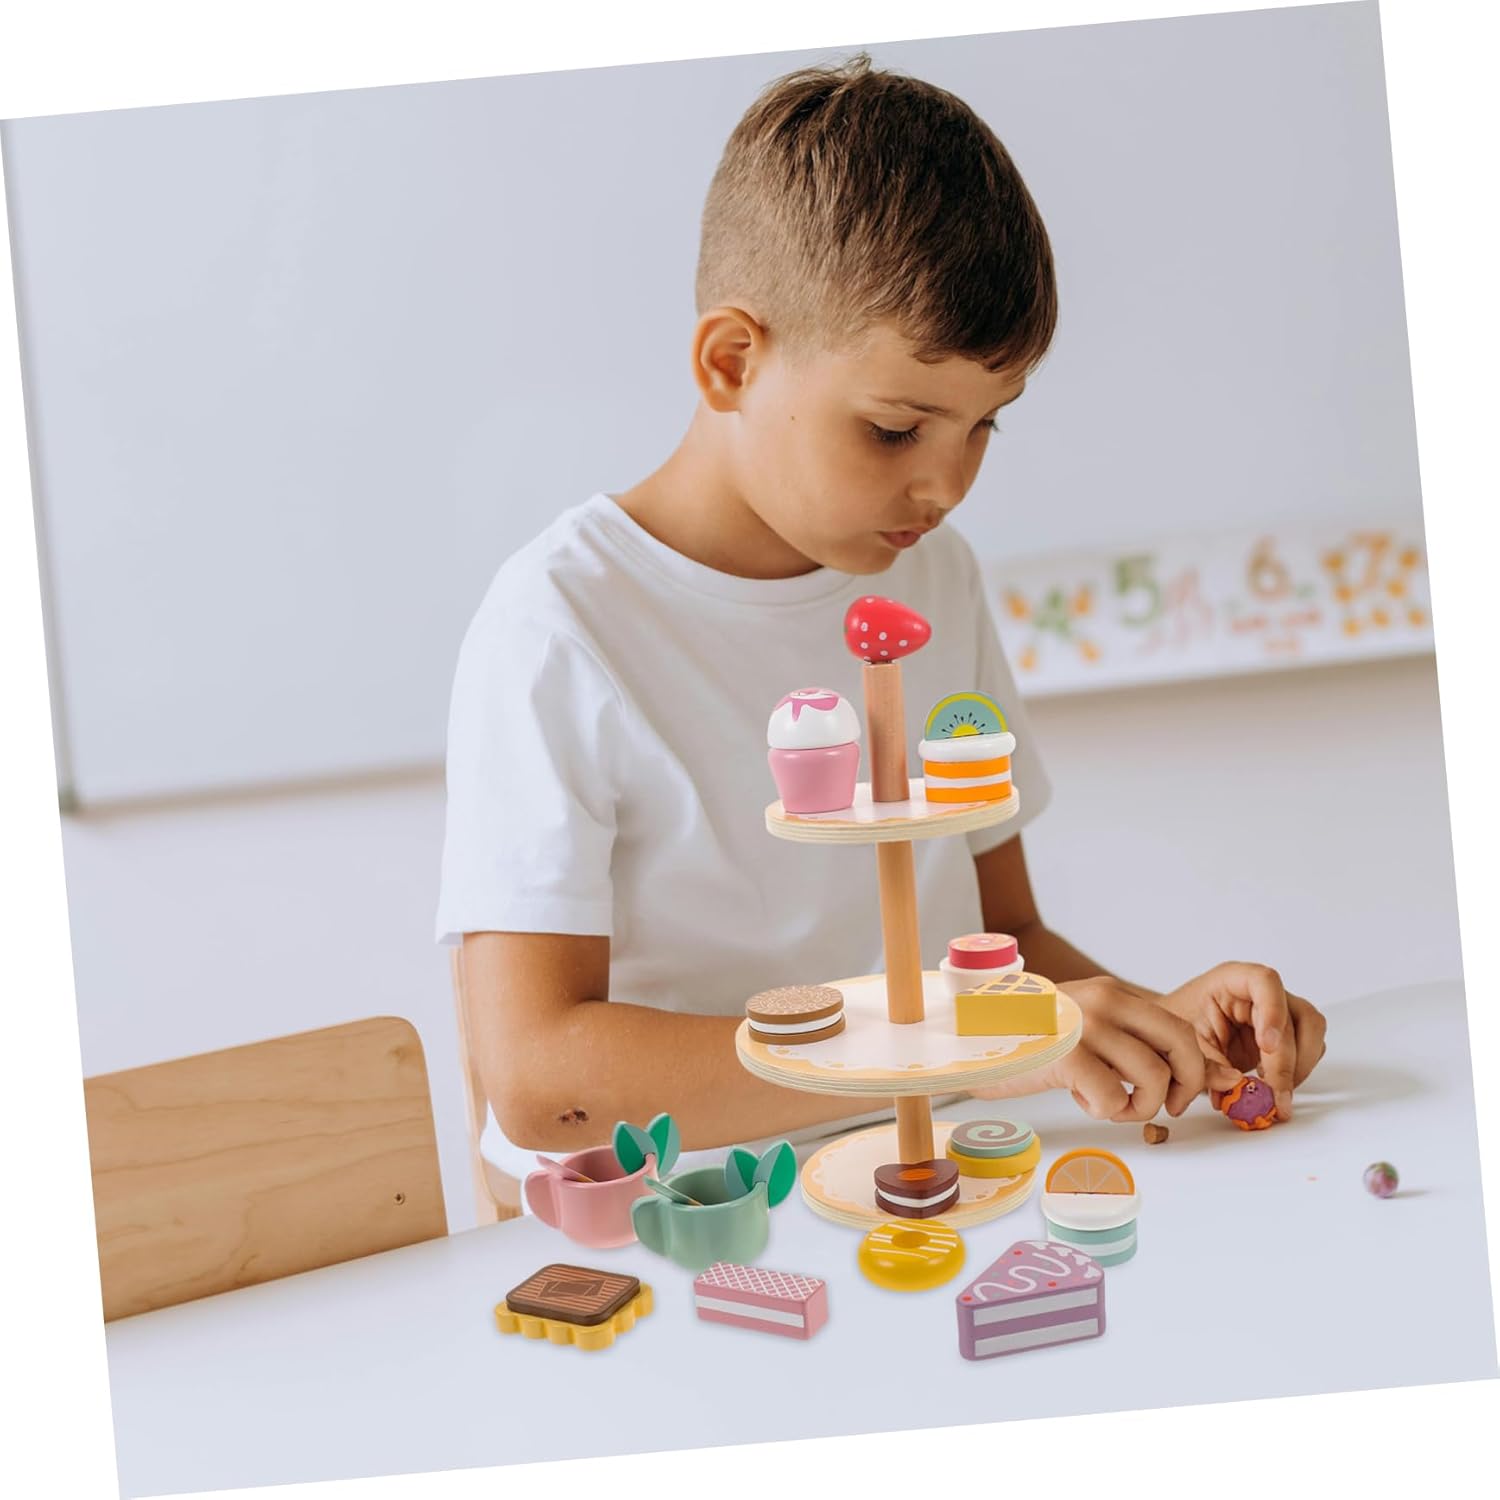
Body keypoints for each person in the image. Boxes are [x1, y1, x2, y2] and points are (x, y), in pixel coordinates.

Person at [436, 52, 1326, 1193]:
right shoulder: (558, 627)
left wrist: (1160, 1031)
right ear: (731, 362)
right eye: (897, 430)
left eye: (985, 426)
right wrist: (958, 1045)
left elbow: (1004, 947)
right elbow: (540, 1080)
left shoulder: (933, 577)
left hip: (933, 1170)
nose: (947, 485)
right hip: (692, 1215)